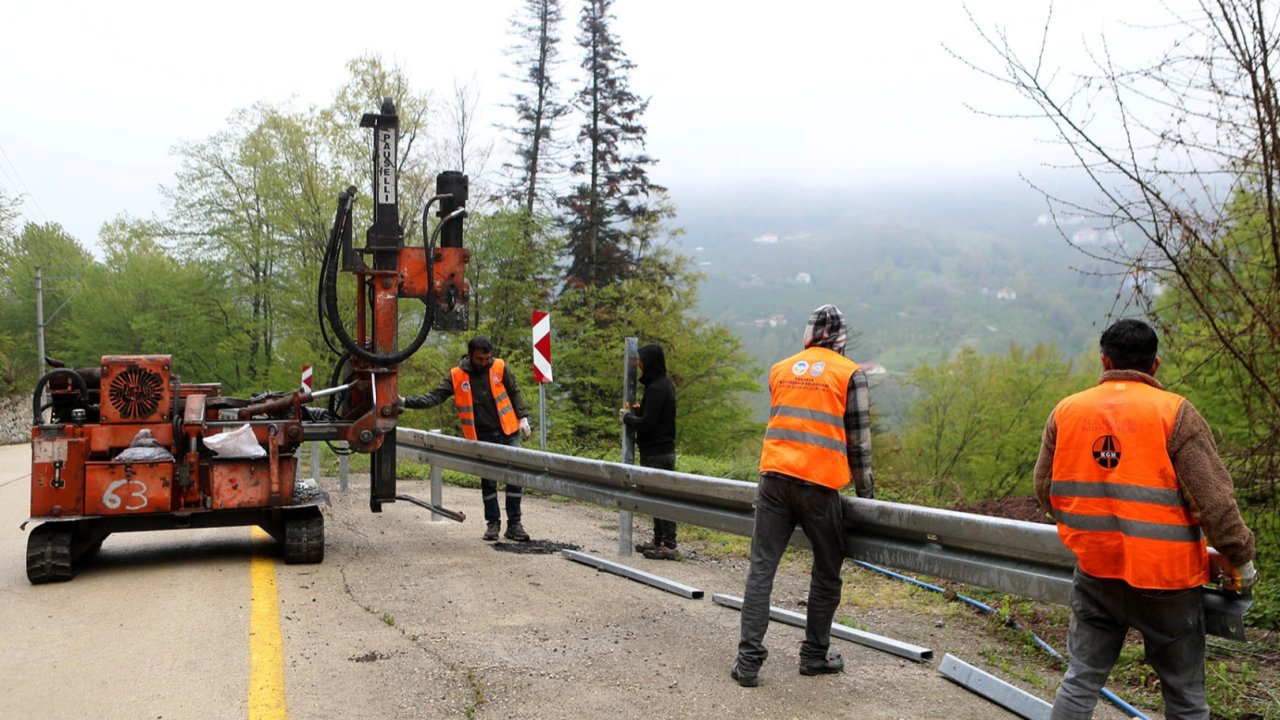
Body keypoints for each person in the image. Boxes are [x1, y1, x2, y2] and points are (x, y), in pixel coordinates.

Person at [1034, 318, 1256, 720]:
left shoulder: (1067, 411)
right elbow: (1215, 502)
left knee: (1081, 679)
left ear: (1103, 360)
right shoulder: (1175, 413)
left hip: (1096, 571)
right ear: (1154, 366)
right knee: (1185, 697)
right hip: (1167, 581)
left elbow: (1044, 489)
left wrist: (1089, 529)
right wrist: (1240, 557)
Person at [731, 304, 874, 688]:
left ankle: (748, 663)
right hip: (819, 486)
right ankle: (813, 655)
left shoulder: (780, 368)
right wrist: (867, 497)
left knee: (762, 568)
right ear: (841, 338)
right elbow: (859, 444)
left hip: (774, 478)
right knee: (827, 571)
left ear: (808, 333)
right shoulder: (850, 374)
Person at [401, 337, 533, 542]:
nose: (484, 362)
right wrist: (406, 402)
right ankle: (493, 524)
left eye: (487, 358)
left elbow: (514, 391)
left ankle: (514, 524)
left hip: (508, 431)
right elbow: (434, 397)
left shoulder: (499, 367)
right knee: (489, 481)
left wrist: (522, 417)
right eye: (480, 358)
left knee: (514, 478)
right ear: (470, 355)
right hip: (482, 436)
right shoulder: (457, 375)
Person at [619, 343, 679, 560]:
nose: (639, 364)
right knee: (657, 497)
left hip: (657, 452)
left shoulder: (656, 389)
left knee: (661, 498)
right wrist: (637, 411)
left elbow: (648, 424)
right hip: (661, 451)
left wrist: (628, 418)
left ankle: (668, 544)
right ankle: (658, 541)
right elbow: (652, 416)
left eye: (642, 360)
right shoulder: (664, 385)